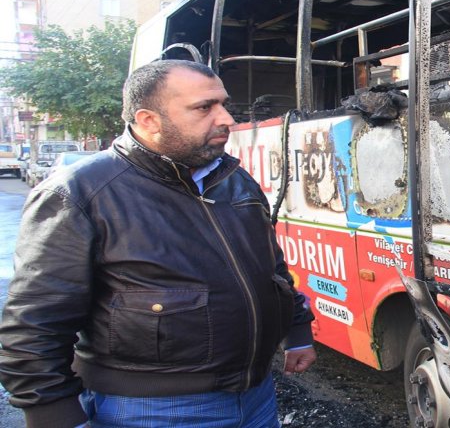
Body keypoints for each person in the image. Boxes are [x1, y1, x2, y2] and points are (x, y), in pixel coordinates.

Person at [0, 59, 316, 427]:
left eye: (223, 104)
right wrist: (52, 413)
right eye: (204, 108)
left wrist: (297, 332)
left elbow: (272, 270)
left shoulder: (236, 180)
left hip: (256, 397)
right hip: (150, 410)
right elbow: (34, 322)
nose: (227, 119)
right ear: (148, 120)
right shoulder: (80, 192)